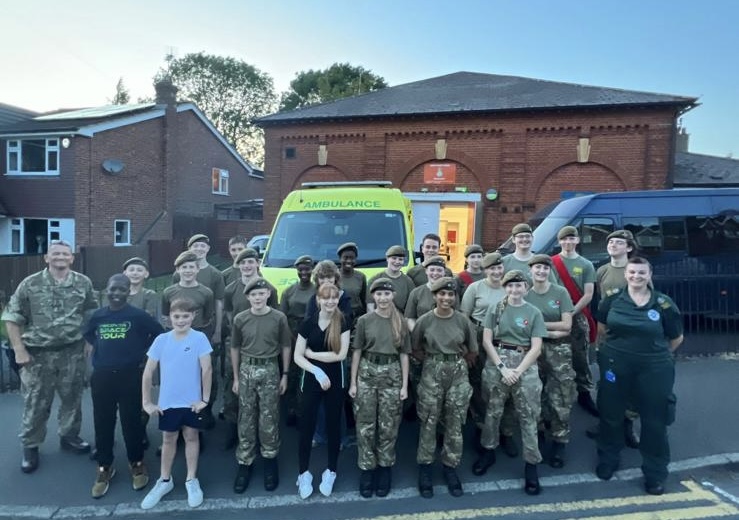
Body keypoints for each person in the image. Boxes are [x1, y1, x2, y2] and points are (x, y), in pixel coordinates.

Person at [2, 239, 97, 473]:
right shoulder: (30, 284)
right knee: (36, 402)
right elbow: (12, 318)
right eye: (55, 253)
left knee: (72, 399)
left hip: (72, 352)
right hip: (38, 355)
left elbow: (91, 313)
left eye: (65, 254)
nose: (60, 257)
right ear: (46, 258)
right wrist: (19, 350)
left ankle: (69, 436)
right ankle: (31, 445)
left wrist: (89, 341)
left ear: (72, 258)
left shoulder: (83, 283)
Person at [595, 257, 683, 496]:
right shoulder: (612, 299)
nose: (636, 276)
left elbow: (676, 338)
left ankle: (655, 473)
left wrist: (652, 356)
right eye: (632, 272)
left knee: (655, 421)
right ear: (625, 274)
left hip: (654, 368)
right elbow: (602, 329)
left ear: (649, 275)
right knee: (611, 414)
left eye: (641, 272)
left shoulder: (663, 304)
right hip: (616, 364)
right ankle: (608, 459)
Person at [84, 274, 164, 498]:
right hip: (103, 376)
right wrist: (101, 349)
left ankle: (136, 462)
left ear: (129, 292)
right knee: (103, 421)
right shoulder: (98, 316)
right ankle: (104, 466)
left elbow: (158, 333)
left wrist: (141, 352)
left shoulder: (138, 315)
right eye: (113, 289)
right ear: (106, 291)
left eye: (122, 289)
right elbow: (89, 335)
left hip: (130, 375)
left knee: (132, 421)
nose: (117, 293)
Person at [473, 270, 547, 495]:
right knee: (492, 411)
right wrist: (502, 368)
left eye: (519, 285)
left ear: (526, 288)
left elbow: (536, 347)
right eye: (510, 286)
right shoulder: (496, 309)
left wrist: (518, 371)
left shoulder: (533, 312)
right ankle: (488, 451)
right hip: (498, 362)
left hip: (524, 364)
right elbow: (487, 341)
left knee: (528, 416)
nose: (514, 290)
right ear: (505, 288)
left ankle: (531, 464)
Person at [140, 298, 213, 510]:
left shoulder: (199, 338)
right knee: (168, 439)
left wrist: (205, 399)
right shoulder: (161, 340)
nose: (181, 320)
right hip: (168, 403)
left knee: (191, 437)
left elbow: (207, 369)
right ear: (169, 317)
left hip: (192, 403)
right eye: (177, 316)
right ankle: (165, 480)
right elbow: (148, 372)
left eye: (185, 316)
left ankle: (191, 479)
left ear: (193, 316)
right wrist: (147, 402)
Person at [412, 277, 477, 499]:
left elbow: (472, 350)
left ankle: (450, 466)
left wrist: (456, 364)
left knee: (455, 421)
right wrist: (433, 362)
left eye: (451, 294)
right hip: (432, 371)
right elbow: (415, 348)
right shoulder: (425, 320)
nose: (446, 298)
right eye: (442, 294)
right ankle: (425, 468)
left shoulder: (462, 320)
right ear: (434, 296)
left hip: (457, 373)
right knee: (429, 420)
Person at [348, 278, 410, 498]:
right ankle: (367, 468)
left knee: (388, 424)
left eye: (387, 294)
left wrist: (404, 385)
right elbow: (357, 351)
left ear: (393, 296)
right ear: (373, 296)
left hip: (392, 375)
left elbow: (404, 355)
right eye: (379, 294)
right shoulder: (364, 321)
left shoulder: (400, 321)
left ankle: (385, 467)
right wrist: (353, 382)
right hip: (367, 373)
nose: (383, 298)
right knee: (365, 424)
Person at [230, 278, 292, 493]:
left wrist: (285, 375)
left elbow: (286, 346)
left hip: (270, 369)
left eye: (261, 293)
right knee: (246, 418)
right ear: (248, 297)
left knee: (269, 417)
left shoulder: (279, 318)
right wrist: (236, 377)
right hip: (247, 369)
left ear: (268, 294)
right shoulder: (240, 319)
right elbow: (235, 348)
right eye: (253, 295)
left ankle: (270, 460)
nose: (257, 298)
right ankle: (245, 462)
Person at [293, 284, 351, 499]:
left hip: (335, 378)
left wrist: (312, 355)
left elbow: (340, 354)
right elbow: (297, 356)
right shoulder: (308, 323)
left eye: (334, 298)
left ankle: (331, 471)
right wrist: (316, 371)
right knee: (307, 425)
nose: (330, 302)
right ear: (318, 299)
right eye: (326, 298)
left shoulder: (343, 322)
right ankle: (303, 473)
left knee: (334, 425)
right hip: (311, 376)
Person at [523, 255, 575, 468]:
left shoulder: (560, 292)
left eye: (545, 268)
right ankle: (540, 434)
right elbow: (522, 324)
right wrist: (550, 330)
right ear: (530, 271)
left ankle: (560, 440)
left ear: (549, 271)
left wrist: (540, 327)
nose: (541, 272)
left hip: (558, 350)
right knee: (535, 395)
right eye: (537, 268)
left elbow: (567, 325)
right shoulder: (525, 294)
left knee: (560, 396)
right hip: (533, 350)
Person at [592, 229, 640, 447]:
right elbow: (598, 304)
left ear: (628, 247)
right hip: (607, 337)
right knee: (606, 383)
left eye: (619, 242)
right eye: (610, 241)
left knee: (629, 384)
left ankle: (627, 425)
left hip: (629, 338)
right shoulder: (602, 271)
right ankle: (606, 423)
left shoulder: (636, 270)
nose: (613, 244)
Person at [162, 251, 216, 430]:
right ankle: (175, 422)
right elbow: (166, 317)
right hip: (176, 342)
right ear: (178, 269)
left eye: (191, 267)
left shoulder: (206, 292)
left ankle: (200, 419)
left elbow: (208, 317)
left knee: (199, 379)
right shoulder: (169, 292)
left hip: (197, 340)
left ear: (197, 269)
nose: (188, 270)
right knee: (176, 380)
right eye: (184, 267)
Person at [550, 226, 599, 417]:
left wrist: (571, 312)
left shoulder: (586, 264)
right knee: (554, 356)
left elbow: (588, 294)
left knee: (580, 356)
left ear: (578, 241)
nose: (568, 242)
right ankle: (555, 396)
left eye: (572, 238)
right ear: (559, 242)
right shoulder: (551, 263)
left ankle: (584, 393)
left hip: (577, 315)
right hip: (555, 314)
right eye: (564, 239)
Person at [459, 252, 506, 445]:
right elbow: (464, 316)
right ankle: (481, 424)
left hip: (502, 336)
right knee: (478, 380)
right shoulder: (475, 288)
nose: (496, 271)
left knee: (501, 380)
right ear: (486, 270)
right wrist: (469, 345)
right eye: (492, 268)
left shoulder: (509, 287)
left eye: (499, 267)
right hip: (477, 334)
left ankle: (503, 428)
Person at [280, 255, 316, 427]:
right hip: (292, 333)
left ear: (312, 270)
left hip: (311, 333)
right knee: (292, 374)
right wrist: (292, 338)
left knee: (308, 374)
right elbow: (282, 317)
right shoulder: (289, 291)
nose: (304, 272)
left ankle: (305, 411)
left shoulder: (318, 290)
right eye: (300, 269)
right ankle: (292, 409)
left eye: (307, 269)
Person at [366, 246, 416, 314]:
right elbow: (370, 306)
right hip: (379, 318)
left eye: (400, 259)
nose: (397, 262)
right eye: (394, 258)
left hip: (400, 319)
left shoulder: (408, 282)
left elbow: (411, 308)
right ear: (387, 259)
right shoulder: (375, 279)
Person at [337, 242, 367, 324]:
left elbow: (364, 300)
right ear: (340, 259)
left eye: (352, 258)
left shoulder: (361, 277)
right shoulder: (334, 276)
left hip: (357, 318)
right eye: (345, 258)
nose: (349, 261)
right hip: (339, 317)